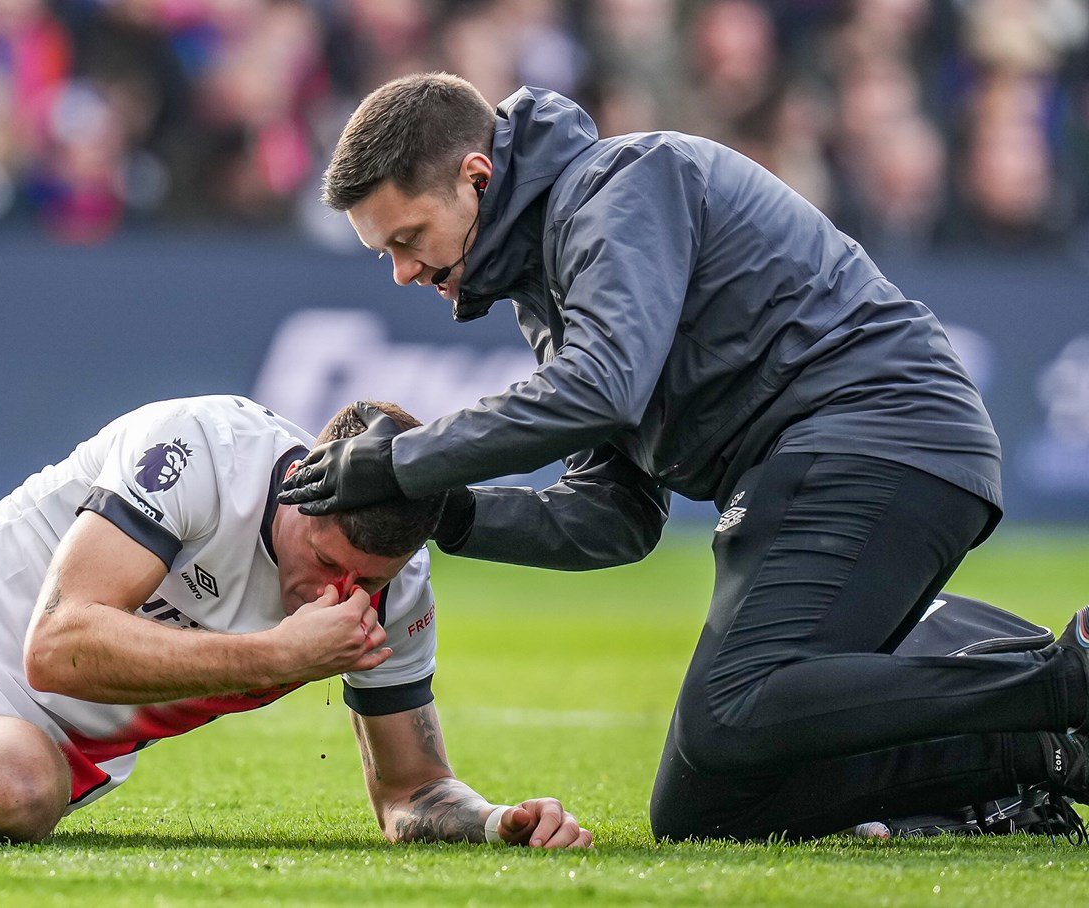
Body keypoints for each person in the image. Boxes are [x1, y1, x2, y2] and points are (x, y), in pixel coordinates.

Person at [278, 72, 1089, 840]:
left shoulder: (626, 184)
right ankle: (1038, 758)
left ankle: (1067, 678)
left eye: (410, 238)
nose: (403, 272)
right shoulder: (548, 284)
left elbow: (602, 389)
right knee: (706, 802)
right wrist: (451, 513)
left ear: (478, 176)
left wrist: (407, 461)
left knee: (733, 711)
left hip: (873, 432)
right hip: (826, 459)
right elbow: (616, 517)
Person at [0, 396, 591, 849]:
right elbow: (58, 643)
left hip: (4, 739)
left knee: (20, 787)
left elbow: (409, 793)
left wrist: (488, 820)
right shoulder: (204, 447)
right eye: (327, 565)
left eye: (371, 582)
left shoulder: (394, 589)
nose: (341, 596)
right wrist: (272, 653)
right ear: (301, 491)